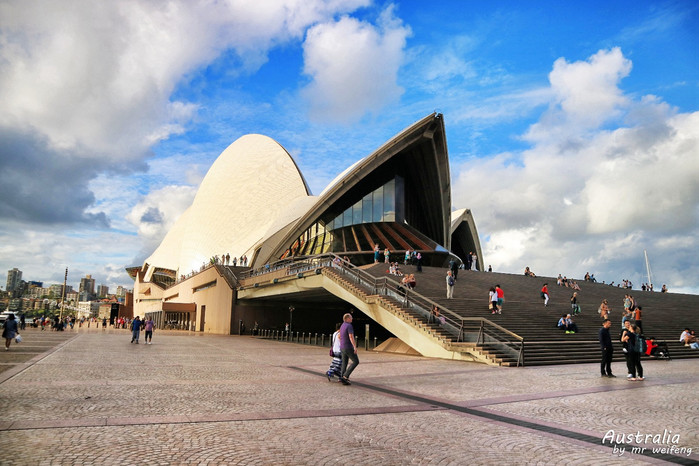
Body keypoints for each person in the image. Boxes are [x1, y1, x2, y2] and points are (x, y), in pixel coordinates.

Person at [338, 313, 359, 385]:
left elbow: (339, 336)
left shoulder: (342, 325)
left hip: (342, 347)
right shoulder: (349, 326)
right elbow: (351, 336)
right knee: (356, 361)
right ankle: (345, 376)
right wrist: (354, 347)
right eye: (351, 317)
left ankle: (342, 378)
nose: (352, 319)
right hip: (348, 347)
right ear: (347, 318)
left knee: (344, 362)